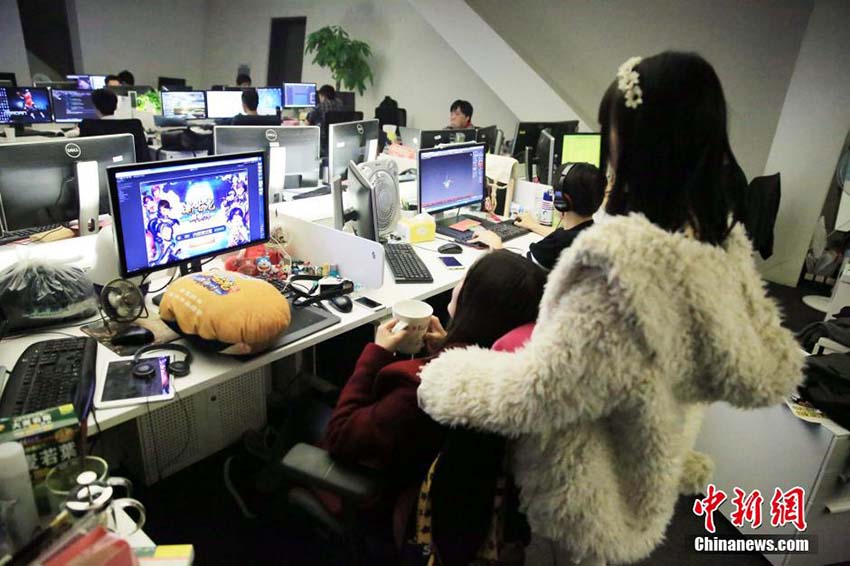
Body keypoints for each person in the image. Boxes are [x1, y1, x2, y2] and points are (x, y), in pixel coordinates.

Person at [417, 51, 804, 566]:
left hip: (581, 488)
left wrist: (445, 374)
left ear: (642, 141)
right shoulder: (719, 243)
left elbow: (543, 391)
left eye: (612, 132)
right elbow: (739, 367)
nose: (609, 149)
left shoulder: (620, 265)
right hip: (642, 461)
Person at [320, 251, 546, 551]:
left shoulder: (421, 390)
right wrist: (448, 346)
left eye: (466, 279)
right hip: (440, 483)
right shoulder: (508, 374)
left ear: (475, 303)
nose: (459, 284)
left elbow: (340, 436)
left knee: (302, 406)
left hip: (392, 496)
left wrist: (376, 353)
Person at [471, 162, 606, 270]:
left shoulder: (555, 246)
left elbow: (518, 271)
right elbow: (565, 235)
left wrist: (496, 245)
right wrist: (533, 225)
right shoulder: (594, 233)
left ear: (562, 200)